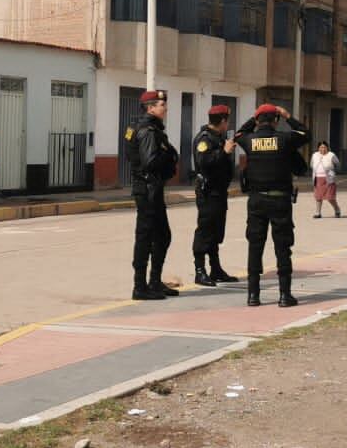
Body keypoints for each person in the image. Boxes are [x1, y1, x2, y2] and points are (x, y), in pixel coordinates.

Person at [234, 103, 310, 307]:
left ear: (258, 121)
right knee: (282, 247)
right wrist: (288, 116)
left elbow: (239, 133)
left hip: (256, 201)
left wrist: (254, 118)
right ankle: (285, 295)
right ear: (276, 120)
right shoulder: (284, 139)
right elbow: (306, 134)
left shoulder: (249, 140)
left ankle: (253, 295)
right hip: (280, 200)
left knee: (255, 247)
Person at [125, 88, 179, 300]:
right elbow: (151, 161)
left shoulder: (140, 127)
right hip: (148, 190)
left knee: (160, 236)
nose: (165, 108)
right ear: (150, 108)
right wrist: (169, 156)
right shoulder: (148, 131)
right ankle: (140, 286)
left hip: (149, 189)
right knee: (147, 237)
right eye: (162, 105)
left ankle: (154, 282)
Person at [191, 104, 240, 287]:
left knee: (216, 231)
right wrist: (224, 152)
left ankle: (216, 269)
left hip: (219, 191)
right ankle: (199, 270)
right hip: (208, 192)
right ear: (222, 121)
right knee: (205, 230)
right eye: (227, 121)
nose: (228, 125)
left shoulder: (219, 137)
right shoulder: (204, 139)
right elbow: (204, 162)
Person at [309, 141, 342, 218]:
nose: (323, 149)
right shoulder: (315, 155)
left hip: (328, 179)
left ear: (327, 148)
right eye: (321, 147)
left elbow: (338, 164)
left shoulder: (331, 155)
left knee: (330, 197)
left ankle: (337, 210)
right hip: (318, 178)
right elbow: (311, 165)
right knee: (318, 197)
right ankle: (318, 213)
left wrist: (332, 172)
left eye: (324, 147)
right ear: (318, 148)